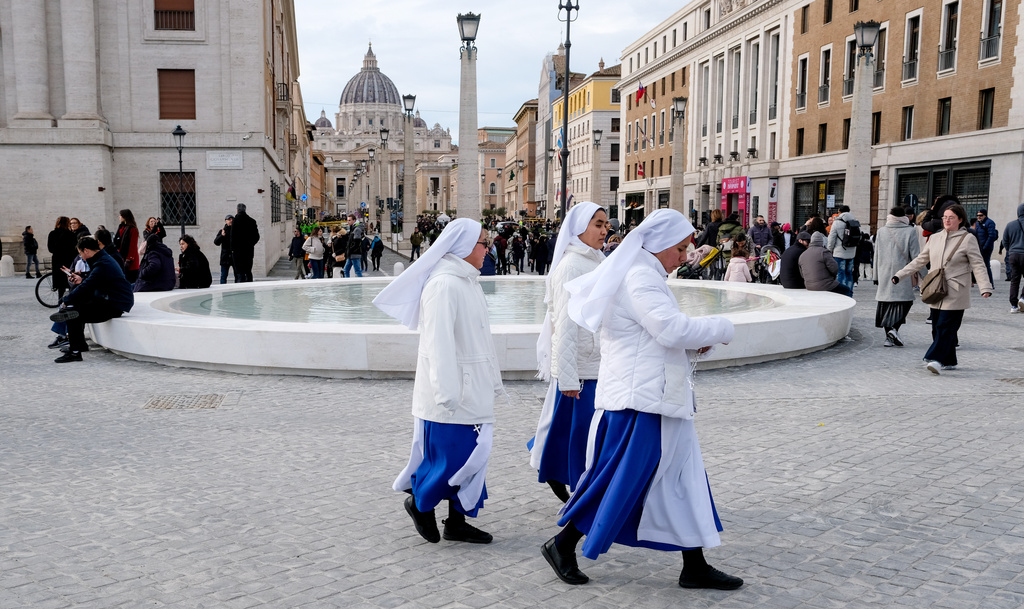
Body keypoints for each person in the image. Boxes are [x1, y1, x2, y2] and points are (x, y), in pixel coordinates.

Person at [542, 209, 740, 590]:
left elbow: (658, 337)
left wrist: (698, 344)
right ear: (662, 245)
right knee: (619, 479)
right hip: (642, 401)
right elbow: (669, 329)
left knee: (683, 478)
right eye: (681, 248)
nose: (685, 256)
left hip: (654, 396)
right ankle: (562, 543)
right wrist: (723, 326)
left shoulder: (641, 274)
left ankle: (694, 563)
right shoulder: (639, 278)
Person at [372, 218, 504, 545]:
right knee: (449, 461)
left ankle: (456, 522)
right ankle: (420, 503)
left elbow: (479, 340)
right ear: (462, 247)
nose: (488, 248)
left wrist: (492, 380)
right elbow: (438, 344)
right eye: (482, 242)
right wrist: (447, 393)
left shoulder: (467, 282)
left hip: (472, 389)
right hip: (452, 395)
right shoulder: (444, 285)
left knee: (473, 459)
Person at [530, 202, 608, 504]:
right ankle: (583, 496)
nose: (604, 230)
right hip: (582, 369)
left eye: (605, 225)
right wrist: (568, 376)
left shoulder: (596, 260)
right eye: (597, 224)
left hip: (595, 363)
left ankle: (566, 477)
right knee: (580, 437)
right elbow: (563, 324)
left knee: (571, 432)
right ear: (579, 228)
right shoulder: (571, 266)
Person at [894, 204, 992, 374]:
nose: (947, 220)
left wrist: (985, 287)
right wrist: (900, 275)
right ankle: (949, 360)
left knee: (945, 327)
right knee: (936, 327)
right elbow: (919, 260)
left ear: (960, 220)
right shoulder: (935, 238)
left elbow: (978, 264)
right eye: (945, 217)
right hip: (936, 289)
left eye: (951, 217)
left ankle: (936, 358)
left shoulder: (968, 239)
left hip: (956, 290)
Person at [50, 236, 134, 363]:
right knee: (74, 308)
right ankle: (79, 346)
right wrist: (81, 278)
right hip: (111, 300)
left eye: (80, 253)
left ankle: (75, 352)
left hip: (115, 305)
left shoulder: (102, 263)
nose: (81, 257)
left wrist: (65, 300)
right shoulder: (103, 259)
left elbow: (87, 286)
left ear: (86, 251)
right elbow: (94, 279)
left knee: (72, 312)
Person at [874, 207, 919, 347]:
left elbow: (876, 255)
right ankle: (893, 331)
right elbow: (916, 257)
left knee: (886, 304)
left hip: (884, 273)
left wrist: (876, 276)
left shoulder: (881, 231)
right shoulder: (910, 231)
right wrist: (925, 275)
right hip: (903, 274)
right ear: (904, 217)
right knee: (905, 302)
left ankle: (889, 336)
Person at [799, 232, 851, 297]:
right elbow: (834, 269)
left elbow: (802, 275)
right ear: (822, 241)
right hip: (826, 285)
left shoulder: (802, 255)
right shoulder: (824, 252)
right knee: (847, 290)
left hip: (809, 286)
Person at [827, 205, 859, 292]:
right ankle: (849, 291)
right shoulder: (854, 221)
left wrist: (829, 250)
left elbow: (831, 238)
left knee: (840, 273)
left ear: (840, 212)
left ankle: (841, 292)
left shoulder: (837, 223)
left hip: (839, 252)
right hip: (851, 252)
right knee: (849, 273)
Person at [47, 216, 78, 302]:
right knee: (69, 280)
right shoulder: (71, 235)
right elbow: (75, 249)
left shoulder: (52, 234)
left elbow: (50, 249)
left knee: (60, 284)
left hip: (57, 260)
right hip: (68, 260)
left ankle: (60, 301)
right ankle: (69, 300)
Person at [1002, 202, 1024, 312]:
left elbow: (1005, 240)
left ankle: (1013, 305)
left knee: (1014, 280)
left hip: (1013, 255)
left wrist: (1010, 250)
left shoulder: (1010, 225)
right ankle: (1023, 298)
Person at [230, 203, 260, 282]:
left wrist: (233, 249)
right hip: (249, 251)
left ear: (237, 210)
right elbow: (257, 237)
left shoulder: (235, 221)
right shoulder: (252, 221)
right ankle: (250, 289)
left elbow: (232, 237)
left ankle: (241, 290)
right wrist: (250, 244)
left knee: (240, 273)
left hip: (237, 252)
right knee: (248, 271)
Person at [113, 209, 141, 283]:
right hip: (121, 256)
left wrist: (129, 259)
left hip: (130, 259)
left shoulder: (133, 229)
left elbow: (133, 246)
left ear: (124, 217)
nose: (119, 217)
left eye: (120, 215)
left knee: (130, 279)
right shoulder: (122, 228)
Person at [973, 209, 998, 285]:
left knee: (986, 265)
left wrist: (985, 247)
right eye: (977, 215)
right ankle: (978, 281)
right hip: (979, 247)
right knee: (978, 265)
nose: (978, 217)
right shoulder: (977, 223)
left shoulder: (990, 223)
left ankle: (990, 283)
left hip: (986, 248)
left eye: (980, 215)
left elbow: (991, 236)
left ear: (985, 215)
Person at [214, 215, 235, 284]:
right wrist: (222, 236)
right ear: (226, 221)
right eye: (229, 219)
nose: (230, 221)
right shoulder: (223, 231)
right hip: (225, 256)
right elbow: (216, 242)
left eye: (232, 219)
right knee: (223, 276)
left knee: (237, 275)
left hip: (234, 255)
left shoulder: (236, 230)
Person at [344, 213, 364, 277]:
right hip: (351, 253)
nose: (348, 222)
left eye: (349, 220)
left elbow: (357, 242)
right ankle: (347, 283)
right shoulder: (352, 228)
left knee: (357, 271)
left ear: (354, 220)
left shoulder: (357, 229)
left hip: (354, 253)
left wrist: (350, 250)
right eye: (347, 220)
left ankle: (360, 284)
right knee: (346, 270)